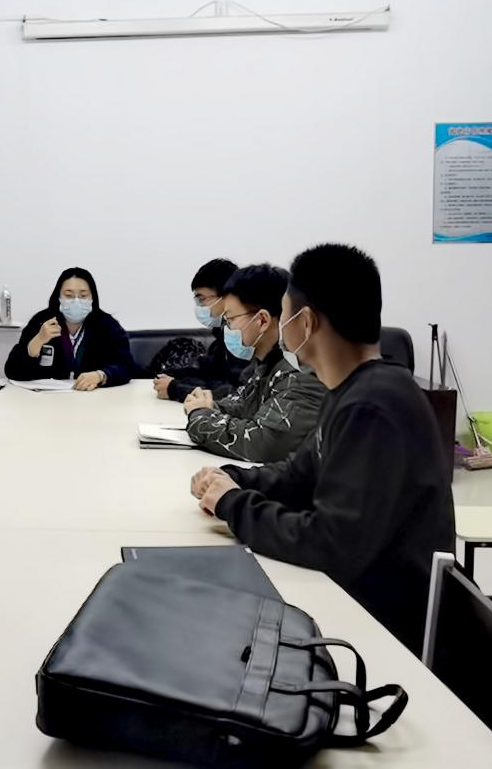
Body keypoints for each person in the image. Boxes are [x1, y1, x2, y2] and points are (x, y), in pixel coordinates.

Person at [190, 244, 455, 651]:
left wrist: (234, 505)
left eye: (284, 314)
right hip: (361, 596)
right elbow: (299, 475)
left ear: (306, 322)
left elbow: (329, 543)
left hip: (386, 628)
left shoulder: (371, 406)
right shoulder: (351, 390)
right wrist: (232, 479)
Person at [183, 264, 326, 462]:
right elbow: (244, 405)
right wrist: (210, 405)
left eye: (230, 319)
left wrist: (201, 415)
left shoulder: (301, 373)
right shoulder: (269, 363)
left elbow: (262, 443)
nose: (227, 328)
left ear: (262, 321)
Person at [4, 267, 134, 391]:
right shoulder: (42, 321)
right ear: (59, 297)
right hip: (48, 400)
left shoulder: (106, 324)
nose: (76, 301)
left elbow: (126, 365)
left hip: (92, 398)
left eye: (83, 295)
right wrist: (38, 341)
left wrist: (101, 376)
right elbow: (12, 370)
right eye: (69, 295)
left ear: (92, 298)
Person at [153, 258, 246, 403]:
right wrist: (173, 375)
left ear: (226, 296)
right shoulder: (222, 337)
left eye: (202, 299)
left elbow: (237, 393)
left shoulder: (245, 339)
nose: (200, 306)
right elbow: (209, 375)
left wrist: (175, 389)